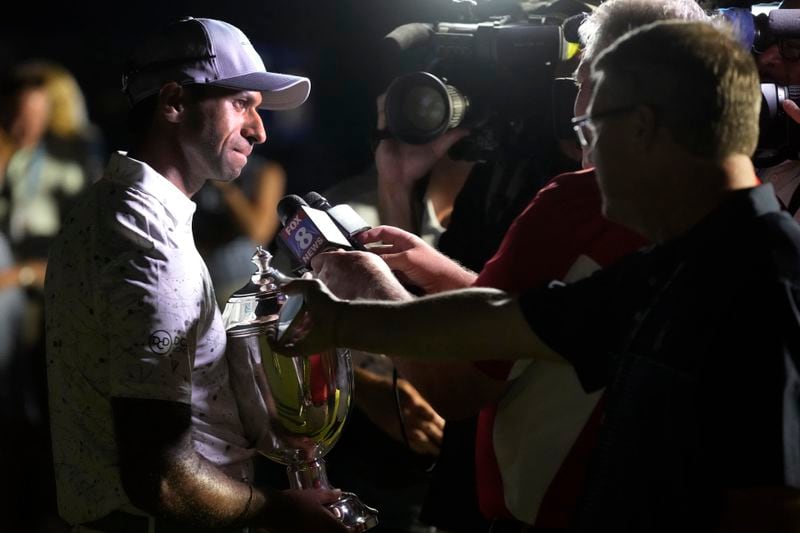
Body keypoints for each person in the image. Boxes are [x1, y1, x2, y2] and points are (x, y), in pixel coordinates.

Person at [274, 20, 800, 532]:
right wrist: (341, 318)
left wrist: (355, 295)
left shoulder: (766, 284)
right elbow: (505, 317)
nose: (580, 154)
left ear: (642, 127)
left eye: (590, 129)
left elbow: (769, 509)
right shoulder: (672, 265)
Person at [44, 16, 347, 533]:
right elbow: (160, 479)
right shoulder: (147, 243)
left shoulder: (113, 208)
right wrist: (277, 511)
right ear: (174, 103)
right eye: (241, 104)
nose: (259, 129)